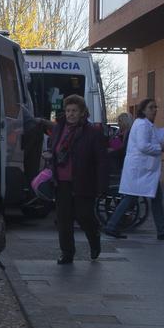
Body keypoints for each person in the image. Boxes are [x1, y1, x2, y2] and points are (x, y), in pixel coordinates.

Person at [104, 98, 164, 240]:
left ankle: (162, 230)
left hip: (145, 170)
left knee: (154, 198)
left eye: (155, 107)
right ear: (143, 110)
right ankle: (112, 225)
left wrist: (162, 144)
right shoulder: (142, 125)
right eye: (151, 107)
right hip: (141, 170)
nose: (155, 110)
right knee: (131, 197)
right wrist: (162, 147)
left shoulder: (145, 124)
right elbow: (143, 146)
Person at [44, 95, 108, 264]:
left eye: (74, 111)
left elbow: (101, 160)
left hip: (84, 180)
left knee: (84, 215)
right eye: (68, 111)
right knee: (64, 219)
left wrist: (102, 184)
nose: (70, 114)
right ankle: (67, 253)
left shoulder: (92, 132)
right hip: (61, 181)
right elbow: (54, 148)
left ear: (82, 113)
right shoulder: (59, 128)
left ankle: (94, 238)